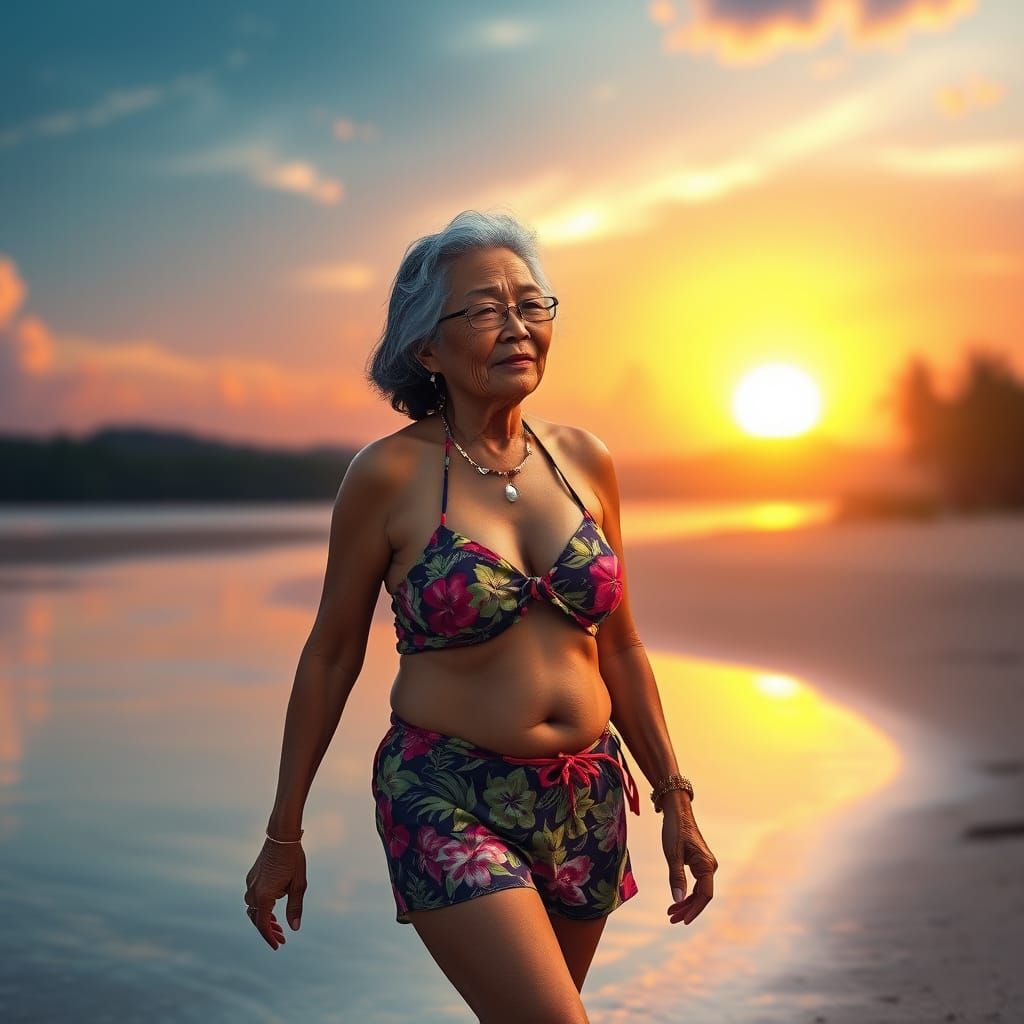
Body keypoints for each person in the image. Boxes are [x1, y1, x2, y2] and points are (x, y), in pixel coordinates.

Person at [244, 210, 718, 1023]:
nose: (518, 327)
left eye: (532, 305)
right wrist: (284, 832)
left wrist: (674, 793)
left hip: (585, 799)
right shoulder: (388, 475)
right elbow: (329, 656)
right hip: (445, 793)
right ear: (427, 348)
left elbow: (624, 646)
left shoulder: (585, 461)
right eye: (486, 310)